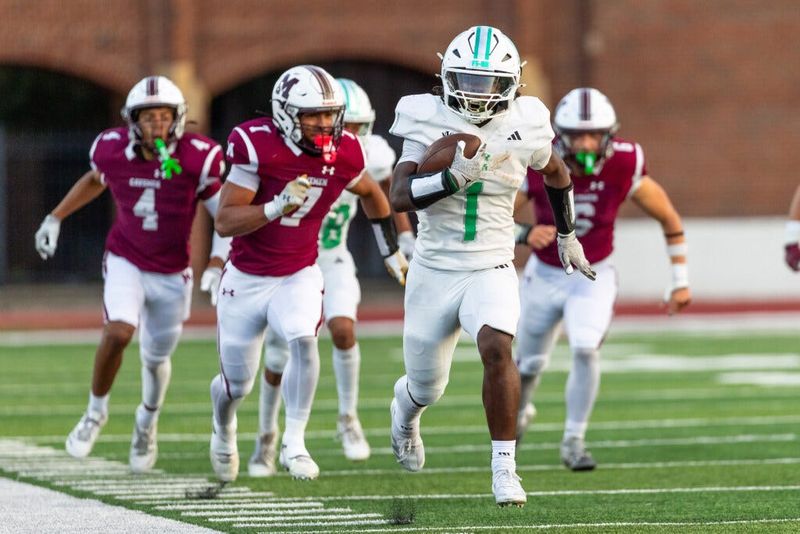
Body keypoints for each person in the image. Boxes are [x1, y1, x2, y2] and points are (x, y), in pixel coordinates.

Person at [387, 26, 595, 507]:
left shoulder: (529, 120)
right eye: (468, 81)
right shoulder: (422, 115)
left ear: (513, 83)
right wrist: (450, 178)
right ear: (446, 75)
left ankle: (505, 468)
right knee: (426, 387)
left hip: (493, 263)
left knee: (497, 346)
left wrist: (567, 234)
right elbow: (398, 195)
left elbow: (557, 174)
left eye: (489, 84)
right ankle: (405, 414)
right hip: (434, 267)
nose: (478, 95)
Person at [210, 64, 407, 483]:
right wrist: (275, 206)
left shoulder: (348, 151)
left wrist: (389, 248)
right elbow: (224, 222)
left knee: (304, 340)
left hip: (299, 271)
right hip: (246, 278)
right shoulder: (256, 145)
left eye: (329, 114)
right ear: (285, 114)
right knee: (236, 386)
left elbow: (372, 191)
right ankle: (224, 428)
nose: (324, 124)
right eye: (312, 115)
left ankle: (294, 441)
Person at [34, 75, 230, 473]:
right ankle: (95, 414)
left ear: (178, 118)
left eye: (163, 116)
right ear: (131, 120)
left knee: (156, 359)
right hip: (126, 258)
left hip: (173, 271)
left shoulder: (198, 156)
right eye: (147, 117)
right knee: (119, 330)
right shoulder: (111, 149)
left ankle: (146, 422)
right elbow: (95, 179)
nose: (155, 125)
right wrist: (55, 217)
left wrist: (215, 263)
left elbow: (224, 217)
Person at [514, 87, 691, 470]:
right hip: (544, 273)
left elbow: (669, 218)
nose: (586, 143)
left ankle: (574, 440)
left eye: (594, 133)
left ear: (611, 134)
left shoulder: (625, 162)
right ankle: (519, 412)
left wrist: (680, 278)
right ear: (559, 134)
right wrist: (524, 234)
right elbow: (493, 217)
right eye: (577, 135)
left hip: (593, 274)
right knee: (526, 366)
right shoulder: (537, 156)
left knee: (584, 347)